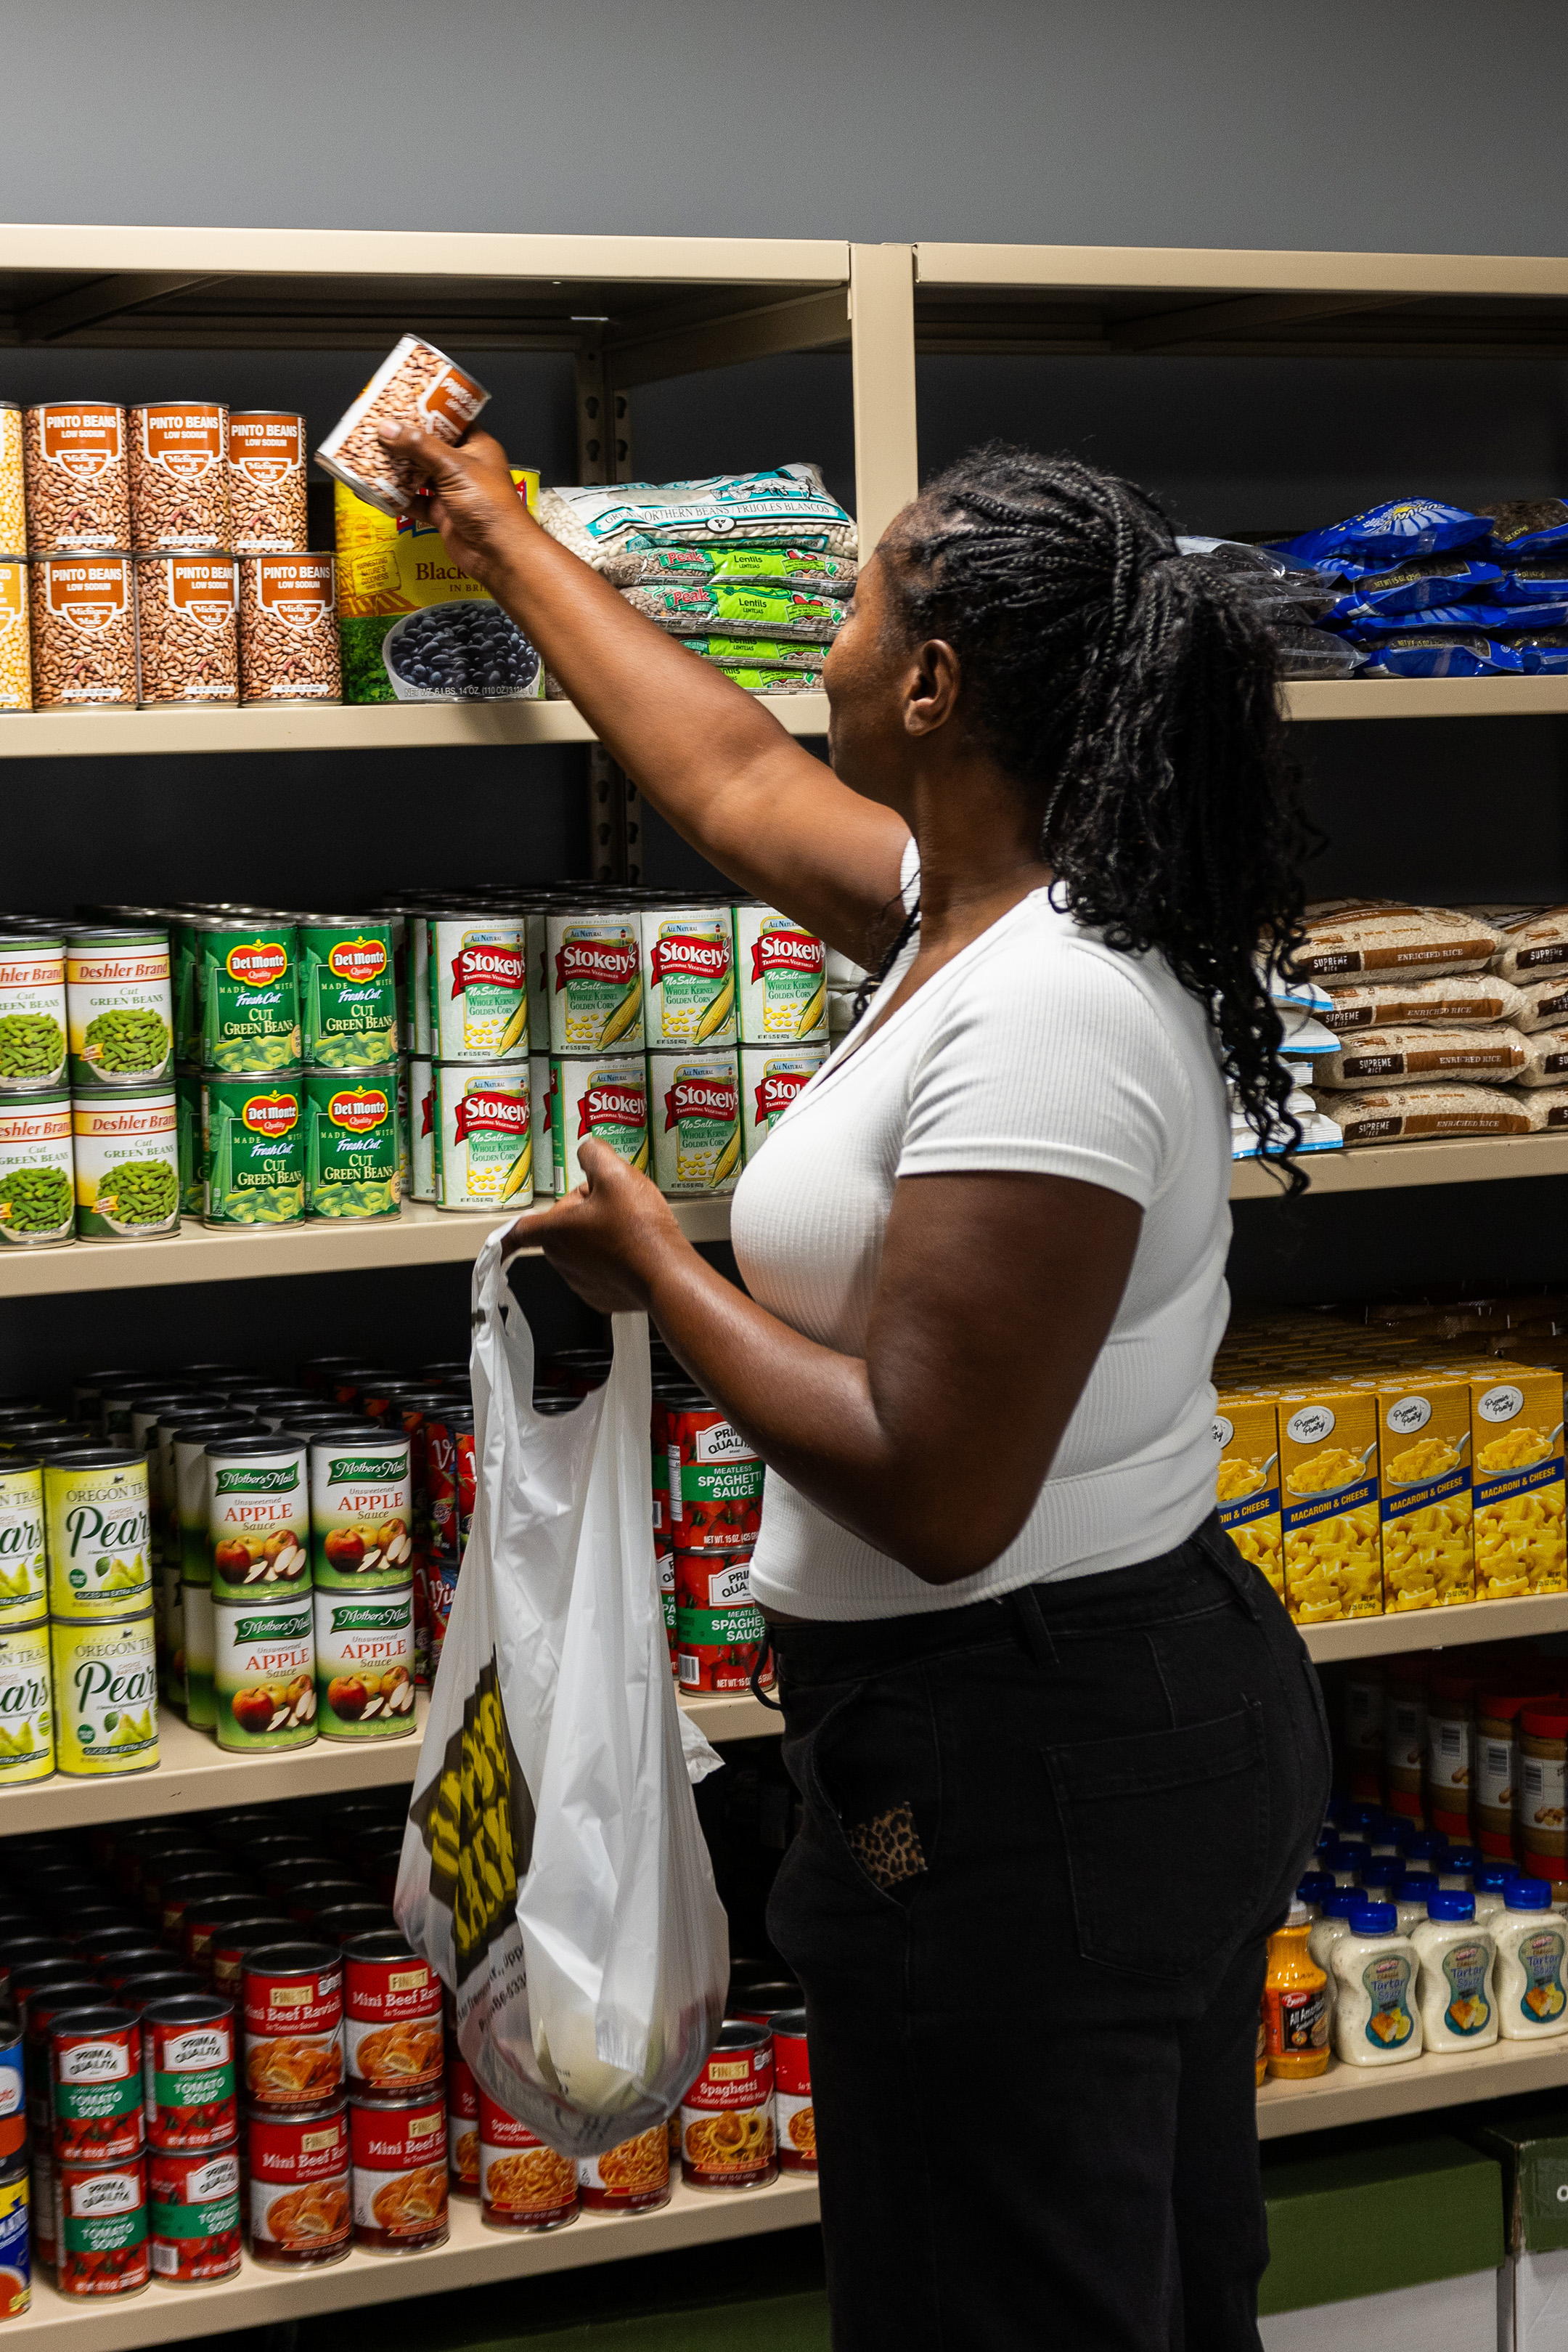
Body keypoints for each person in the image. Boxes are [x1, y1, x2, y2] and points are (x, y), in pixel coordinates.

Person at [382, 420, 1333, 2352]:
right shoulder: (959, 909)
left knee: (1011, 2309)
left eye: (855, 596)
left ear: (932, 682)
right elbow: (727, 775)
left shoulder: (1050, 1007)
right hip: (1037, 1739)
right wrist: (493, 530)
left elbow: (931, 1483)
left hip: (1038, 1762)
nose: (821, 634)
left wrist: (668, 1277)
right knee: (1111, 2288)